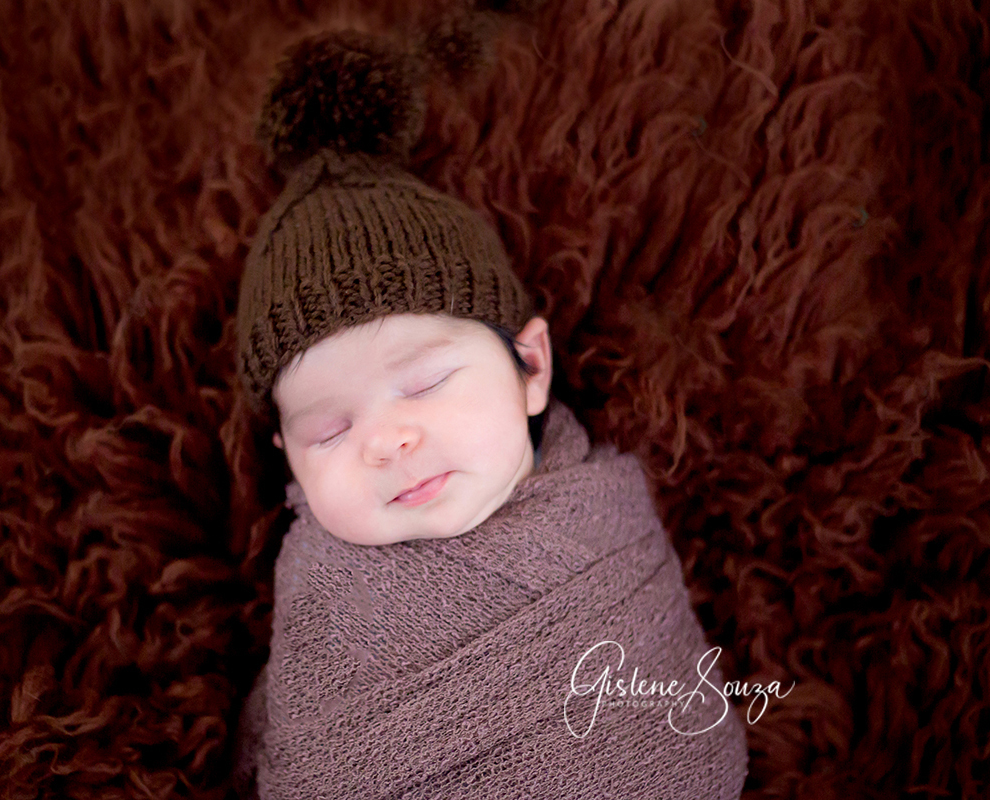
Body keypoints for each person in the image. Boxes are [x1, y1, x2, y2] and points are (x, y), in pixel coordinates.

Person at [232, 26, 748, 800]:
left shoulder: (603, 510)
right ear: (287, 455)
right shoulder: (319, 587)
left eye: (428, 380)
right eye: (328, 430)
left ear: (531, 367)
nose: (386, 440)